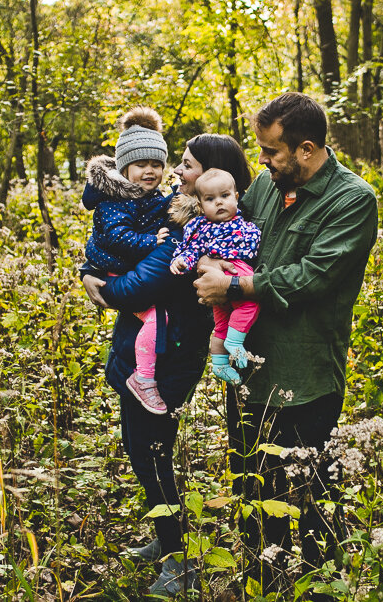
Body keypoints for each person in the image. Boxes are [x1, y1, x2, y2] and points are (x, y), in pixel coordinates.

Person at [193, 92, 378, 596]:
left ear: (306, 149)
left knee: (311, 494)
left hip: (306, 373)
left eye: (272, 152)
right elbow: (228, 227)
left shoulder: (352, 199)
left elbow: (312, 277)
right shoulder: (271, 187)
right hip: (250, 367)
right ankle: (260, 583)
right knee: (251, 487)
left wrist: (235, 287)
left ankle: (322, 585)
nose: (263, 161)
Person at [81, 131, 251, 597]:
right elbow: (108, 238)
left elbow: (137, 287)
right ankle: (164, 539)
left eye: (187, 164)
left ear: (217, 177)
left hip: (169, 356)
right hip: (137, 351)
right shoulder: (171, 210)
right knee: (136, 448)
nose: (177, 171)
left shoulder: (199, 225)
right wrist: (88, 267)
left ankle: (180, 561)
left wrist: (100, 286)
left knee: (153, 454)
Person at [81, 107, 172, 414]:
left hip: (122, 270)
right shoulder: (115, 200)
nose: (150, 171)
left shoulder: (148, 197)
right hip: (114, 271)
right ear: (124, 169)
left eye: (157, 164)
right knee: (156, 318)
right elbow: (115, 237)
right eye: (141, 164)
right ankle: (143, 378)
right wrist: (151, 242)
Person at [171, 168, 261, 386]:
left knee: (224, 321)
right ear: (201, 206)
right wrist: (182, 262)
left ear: (236, 197)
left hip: (230, 271)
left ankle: (221, 362)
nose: (219, 203)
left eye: (225, 196)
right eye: (210, 199)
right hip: (226, 273)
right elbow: (190, 249)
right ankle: (231, 346)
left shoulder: (243, 223)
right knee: (248, 306)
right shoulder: (199, 228)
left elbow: (255, 246)